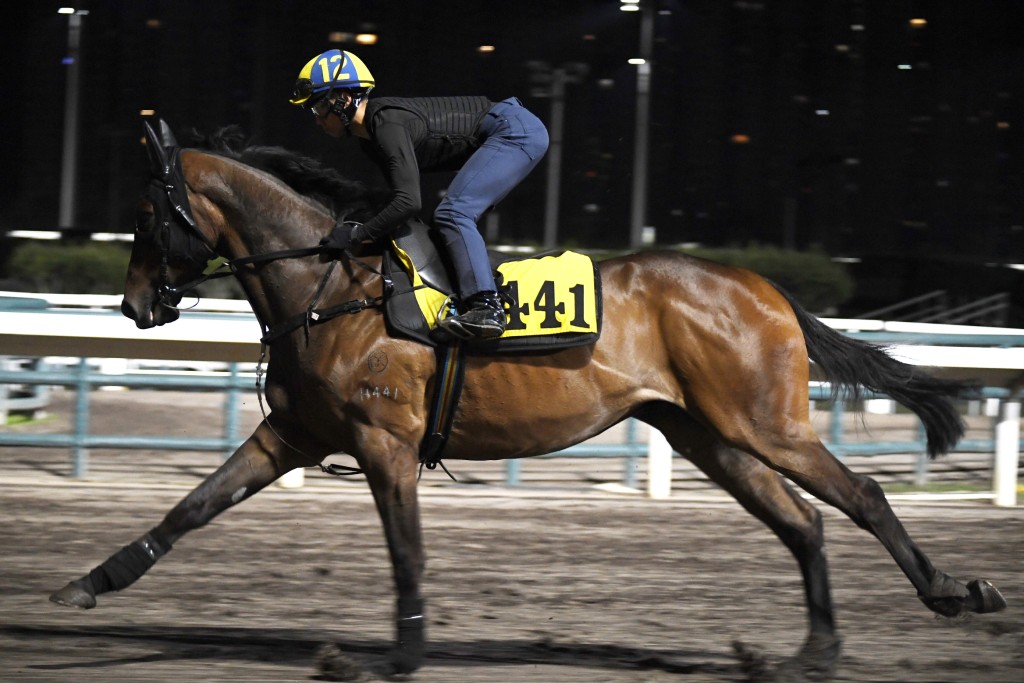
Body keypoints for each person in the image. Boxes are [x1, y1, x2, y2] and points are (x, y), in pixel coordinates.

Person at [289, 49, 549, 341]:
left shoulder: (385, 124)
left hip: (516, 131)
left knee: (453, 213)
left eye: (318, 108)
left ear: (343, 100)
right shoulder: (370, 141)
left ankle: (487, 307)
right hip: (508, 130)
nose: (317, 120)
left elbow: (408, 202)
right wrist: (354, 226)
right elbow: (398, 206)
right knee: (444, 221)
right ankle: (478, 290)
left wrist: (357, 235)